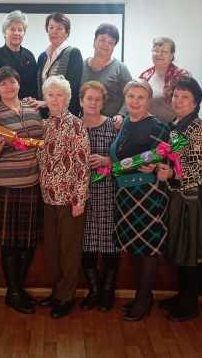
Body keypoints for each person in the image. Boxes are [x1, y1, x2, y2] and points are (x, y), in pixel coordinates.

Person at [0, 66, 44, 314]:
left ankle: (18, 289)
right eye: (2, 84)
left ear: (19, 83)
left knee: (28, 243)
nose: (8, 87)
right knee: (9, 244)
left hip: (32, 183)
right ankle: (14, 292)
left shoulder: (33, 110)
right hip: (5, 186)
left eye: (12, 82)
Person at [112, 80, 170, 322]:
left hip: (148, 195)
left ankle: (144, 300)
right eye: (131, 96)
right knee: (135, 247)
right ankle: (140, 296)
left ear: (149, 101)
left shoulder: (158, 126)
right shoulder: (125, 122)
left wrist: (156, 164)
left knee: (148, 249)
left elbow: (164, 159)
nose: (135, 101)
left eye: (140, 97)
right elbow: (122, 159)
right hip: (125, 195)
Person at [155, 77, 202, 322]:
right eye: (176, 95)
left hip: (191, 198)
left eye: (185, 97)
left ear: (196, 102)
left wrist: (172, 174)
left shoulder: (196, 128)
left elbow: (200, 169)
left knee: (190, 252)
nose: (178, 100)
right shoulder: (177, 125)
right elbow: (175, 158)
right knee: (181, 249)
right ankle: (182, 297)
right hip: (177, 195)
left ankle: (189, 305)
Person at [37, 75, 91, 319]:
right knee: (52, 251)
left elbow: (83, 165)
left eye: (60, 95)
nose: (55, 99)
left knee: (69, 251)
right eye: (51, 95)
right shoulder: (43, 125)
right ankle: (56, 292)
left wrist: (80, 199)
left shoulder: (76, 125)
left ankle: (66, 297)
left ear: (67, 98)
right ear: (45, 98)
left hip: (69, 200)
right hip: (47, 197)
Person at [78, 81, 120, 312]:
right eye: (89, 98)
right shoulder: (73, 126)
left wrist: (107, 161)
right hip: (80, 194)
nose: (93, 103)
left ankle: (107, 291)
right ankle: (94, 291)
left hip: (107, 192)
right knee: (86, 244)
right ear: (81, 101)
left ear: (103, 102)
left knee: (110, 244)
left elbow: (125, 158)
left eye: (97, 99)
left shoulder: (114, 126)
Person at [28, 13, 83, 116]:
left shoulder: (73, 53)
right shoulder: (42, 57)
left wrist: (46, 103)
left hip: (65, 114)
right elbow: (40, 86)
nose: (54, 31)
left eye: (59, 28)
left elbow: (73, 88)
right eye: (51, 27)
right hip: (45, 114)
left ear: (67, 32)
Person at [81, 23, 132, 125]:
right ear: (94, 42)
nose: (106, 44)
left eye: (110, 42)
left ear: (114, 46)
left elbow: (131, 94)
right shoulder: (81, 66)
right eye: (102, 40)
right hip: (84, 124)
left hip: (112, 125)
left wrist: (121, 114)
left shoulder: (121, 68)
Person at [0, 10, 38, 107]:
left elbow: (34, 85)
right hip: (1, 108)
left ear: (24, 33)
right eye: (12, 29)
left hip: (27, 108)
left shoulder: (29, 56)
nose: (16, 33)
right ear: (4, 32)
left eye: (20, 30)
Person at [139, 37, 190, 123]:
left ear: (172, 55)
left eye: (164, 52)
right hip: (148, 125)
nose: (159, 54)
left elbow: (187, 104)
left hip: (175, 127)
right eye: (156, 51)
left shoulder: (182, 76)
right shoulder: (145, 75)